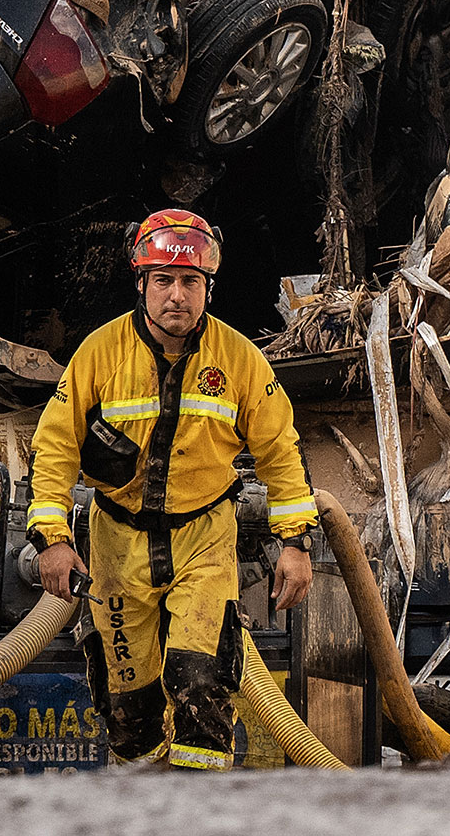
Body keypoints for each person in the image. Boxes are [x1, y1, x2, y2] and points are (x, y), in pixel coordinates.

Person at [26, 209, 317, 769]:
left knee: (201, 685)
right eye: (163, 280)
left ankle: (196, 816)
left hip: (204, 542)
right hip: (115, 548)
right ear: (141, 283)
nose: (176, 296)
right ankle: (142, 813)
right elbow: (54, 447)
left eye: (190, 281)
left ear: (209, 286)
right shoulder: (99, 354)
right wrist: (53, 538)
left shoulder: (240, 361)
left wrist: (296, 543)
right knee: (126, 710)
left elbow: (282, 451)